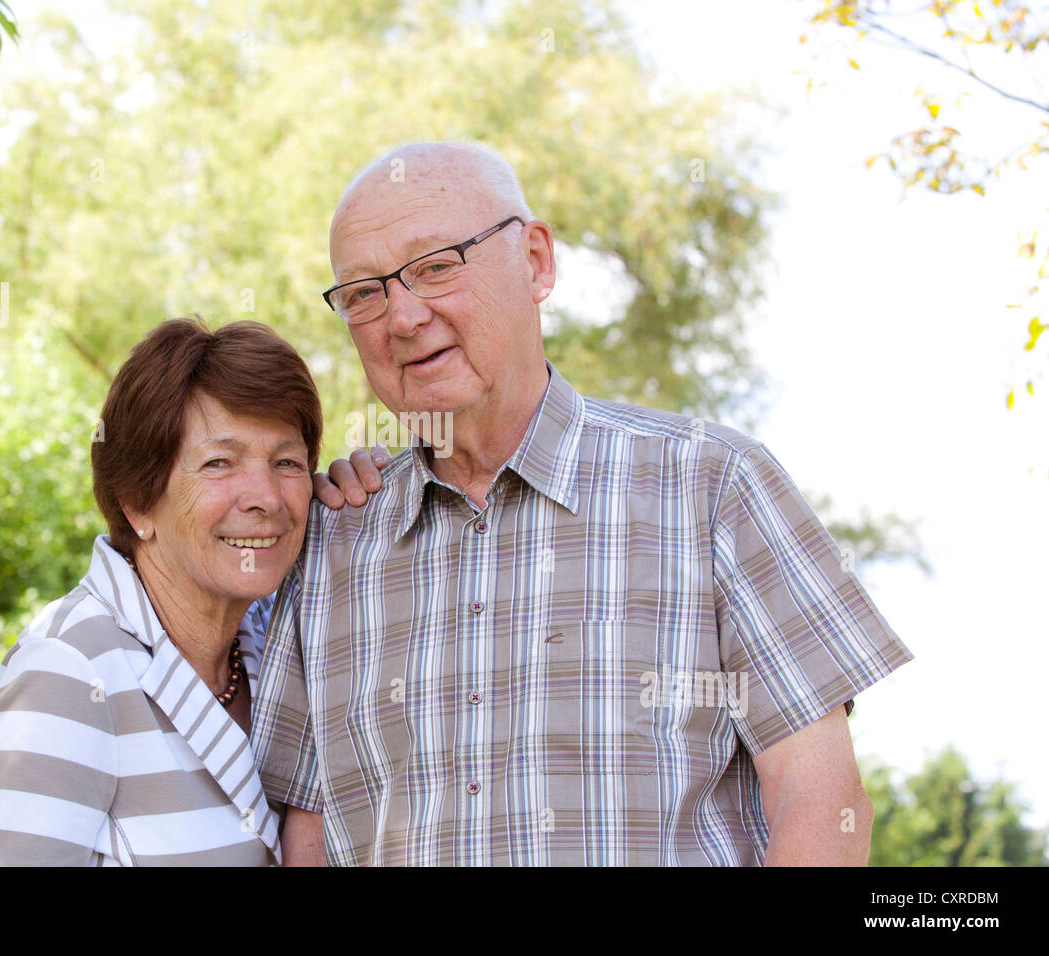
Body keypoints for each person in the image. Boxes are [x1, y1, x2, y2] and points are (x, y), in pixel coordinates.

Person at [251, 141, 915, 866]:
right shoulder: (328, 548)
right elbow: (306, 835)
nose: (402, 316)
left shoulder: (713, 486)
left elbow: (820, 802)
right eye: (364, 293)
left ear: (536, 261)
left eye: (436, 266)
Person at [0, 317, 378, 866]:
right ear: (137, 502)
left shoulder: (287, 638)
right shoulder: (66, 672)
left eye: (287, 463)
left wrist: (372, 512)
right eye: (219, 462)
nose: (266, 498)